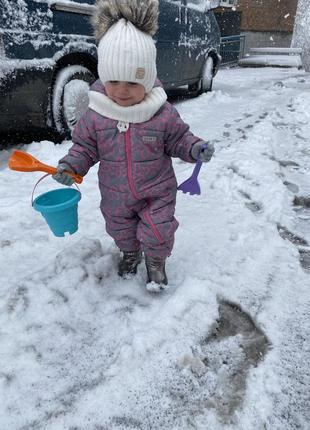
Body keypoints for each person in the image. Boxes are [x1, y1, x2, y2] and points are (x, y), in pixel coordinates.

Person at [52, 0, 214, 290]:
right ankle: (130, 253)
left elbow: (178, 138)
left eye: (133, 81)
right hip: (115, 194)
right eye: (114, 80)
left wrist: (194, 147)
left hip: (157, 190)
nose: (122, 91)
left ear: (149, 79)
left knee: (158, 229)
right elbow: (84, 148)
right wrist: (71, 165)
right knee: (120, 228)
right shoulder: (97, 114)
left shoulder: (161, 113)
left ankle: (156, 262)